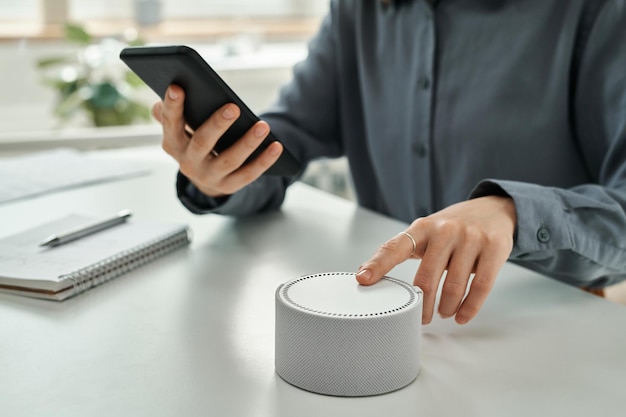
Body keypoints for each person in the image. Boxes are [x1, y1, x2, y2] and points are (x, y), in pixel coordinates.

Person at [152, 0, 626, 325]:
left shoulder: (597, 11)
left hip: (544, 325)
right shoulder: (357, 11)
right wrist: (219, 173)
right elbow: (286, 138)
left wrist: (512, 213)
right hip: (382, 320)